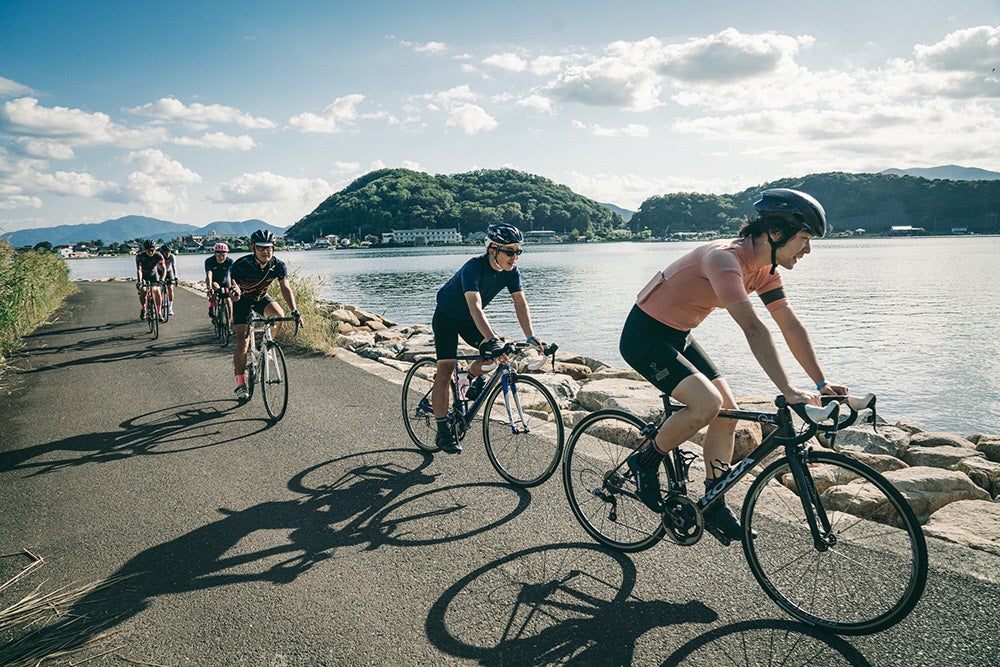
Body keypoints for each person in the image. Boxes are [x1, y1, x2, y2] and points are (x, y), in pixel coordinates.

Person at [619, 188, 847, 542]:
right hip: (644, 336)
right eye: (803, 239)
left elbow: (788, 323)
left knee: (730, 413)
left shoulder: (765, 268)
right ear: (774, 233)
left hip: (679, 334)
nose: (808, 250)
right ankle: (645, 460)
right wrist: (787, 390)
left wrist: (820, 384)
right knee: (707, 404)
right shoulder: (724, 260)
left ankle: (713, 500)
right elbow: (754, 329)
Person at [430, 223, 546, 453]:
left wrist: (531, 336)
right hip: (447, 317)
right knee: (445, 370)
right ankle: (442, 430)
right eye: (510, 251)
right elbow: (475, 306)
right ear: (493, 248)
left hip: (469, 321)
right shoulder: (472, 268)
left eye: (518, 251)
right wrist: (491, 339)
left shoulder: (511, 272)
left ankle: (467, 378)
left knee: (499, 355)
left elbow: (520, 303)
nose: (515, 257)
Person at [229, 229, 303, 400]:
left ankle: (268, 346)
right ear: (253, 248)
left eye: (269, 248)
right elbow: (233, 289)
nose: (265, 252)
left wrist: (295, 310)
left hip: (261, 298)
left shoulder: (278, 265)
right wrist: (235, 293)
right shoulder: (240, 265)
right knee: (243, 341)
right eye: (261, 248)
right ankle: (241, 382)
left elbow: (285, 287)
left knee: (279, 315)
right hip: (242, 301)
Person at [135, 240, 166, 320]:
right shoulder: (140, 256)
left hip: (153, 274)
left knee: (157, 291)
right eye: (149, 250)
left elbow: (164, 269)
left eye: (153, 250)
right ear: (145, 249)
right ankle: (143, 308)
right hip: (144, 275)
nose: (151, 252)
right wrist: (140, 282)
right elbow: (139, 270)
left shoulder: (158, 255)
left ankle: (158, 313)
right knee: (144, 290)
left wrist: (162, 279)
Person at [204, 242, 234, 322]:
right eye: (218, 255)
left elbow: (233, 275)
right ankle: (212, 306)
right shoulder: (209, 261)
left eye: (223, 255)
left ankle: (229, 321)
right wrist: (209, 287)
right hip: (214, 281)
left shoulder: (230, 261)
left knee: (228, 300)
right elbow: (209, 274)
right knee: (215, 289)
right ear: (215, 254)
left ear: (227, 254)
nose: (221, 258)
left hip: (225, 281)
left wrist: (235, 286)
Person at [159, 244, 178, 315]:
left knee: (170, 288)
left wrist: (176, 277)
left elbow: (174, 267)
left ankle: (170, 307)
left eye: (169, 252)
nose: (167, 254)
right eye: (166, 252)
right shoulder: (160, 256)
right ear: (162, 252)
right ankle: (161, 301)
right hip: (159, 271)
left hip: (168, 271)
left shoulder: (172, 257)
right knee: (159, 288)